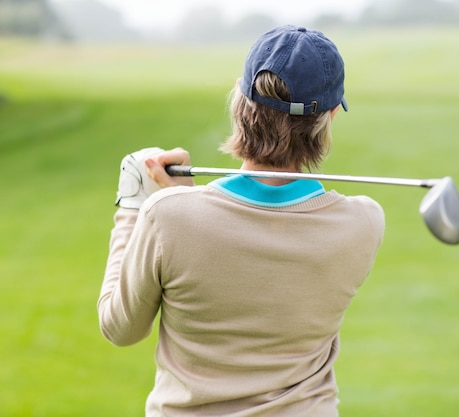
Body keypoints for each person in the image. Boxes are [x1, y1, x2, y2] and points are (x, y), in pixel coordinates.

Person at [98, 25, 385, 417]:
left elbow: (121, 328)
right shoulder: (365, 222)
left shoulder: (168, 216)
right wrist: (180, 202)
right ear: (330, 115)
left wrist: (135, 204)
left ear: (240, 98)